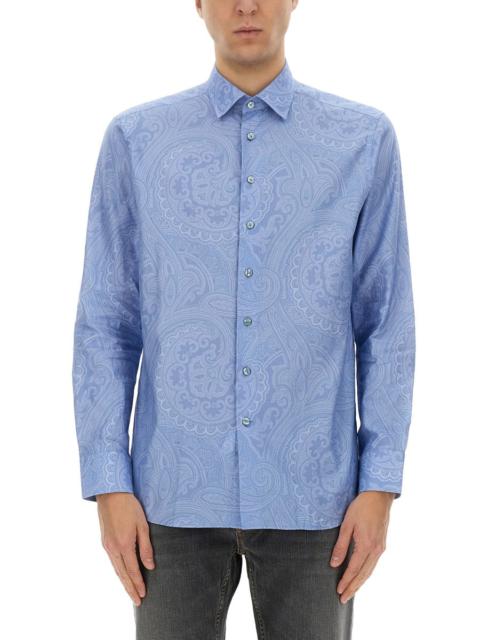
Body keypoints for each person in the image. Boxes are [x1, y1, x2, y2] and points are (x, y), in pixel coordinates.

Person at [71, 1, 416, 638]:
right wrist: (108, 482)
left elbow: (386, 322)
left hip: (316, 497)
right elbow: (106, 323)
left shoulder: (362, 140)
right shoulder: (137, 141)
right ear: (198, 3)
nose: (247, 5)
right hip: (169, 497)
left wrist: (380, 486)